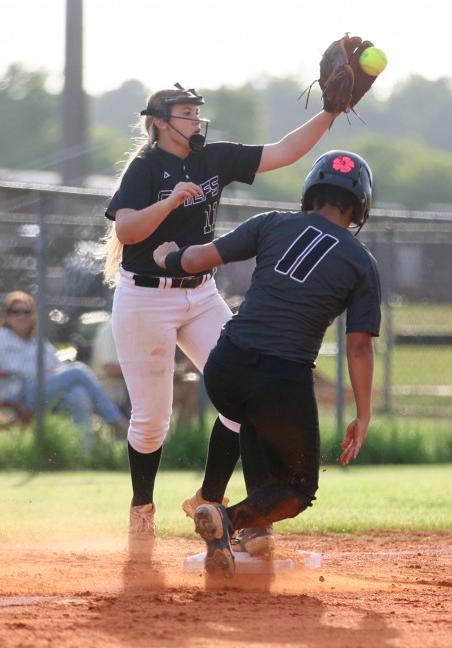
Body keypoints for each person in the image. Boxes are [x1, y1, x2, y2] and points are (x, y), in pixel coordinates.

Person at [101, 83, 345, 541]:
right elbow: (128, 231)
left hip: (200, 293)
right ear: (160, 122)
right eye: (186, 112)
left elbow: (284, 151)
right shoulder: (145, 166)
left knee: (246, 391)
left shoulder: (213, 158)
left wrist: (330, 111)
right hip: (146, 296)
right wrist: (170, 200)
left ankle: (212, 500)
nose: (196, 119)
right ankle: (142, 510)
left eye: (196, 111)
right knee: (152, 421)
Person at [153, 150, 381, 577]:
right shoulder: (361, 261)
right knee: (298, 487)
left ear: (311, 192)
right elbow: (359, 348)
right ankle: (229, 519)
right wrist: (363, 414)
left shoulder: (273, 222)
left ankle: (251, 527)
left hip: (226, 365)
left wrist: (167, 256)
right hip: (281, 378)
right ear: (360, 207)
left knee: (250, 418)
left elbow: (197, 259)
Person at [0, 291, 128, 449]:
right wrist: (46, 371)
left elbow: (57, 365)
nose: (22, 316)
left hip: (42, 390)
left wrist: (50, 372)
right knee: (77, 371)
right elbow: (16, 371)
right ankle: (116, 420)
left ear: (32, 316)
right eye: (16, 312)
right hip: (18, 394)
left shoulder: (36, 340)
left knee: (78, 395)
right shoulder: (1, 337)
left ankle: (84, 453)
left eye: (26, 312)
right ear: (7, 316)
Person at [90, 316, 131, 418]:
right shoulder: (114, 327)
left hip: (121, 386)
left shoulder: (130, 326)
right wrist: (146, 373)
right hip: (108, 387)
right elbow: (111, 369)